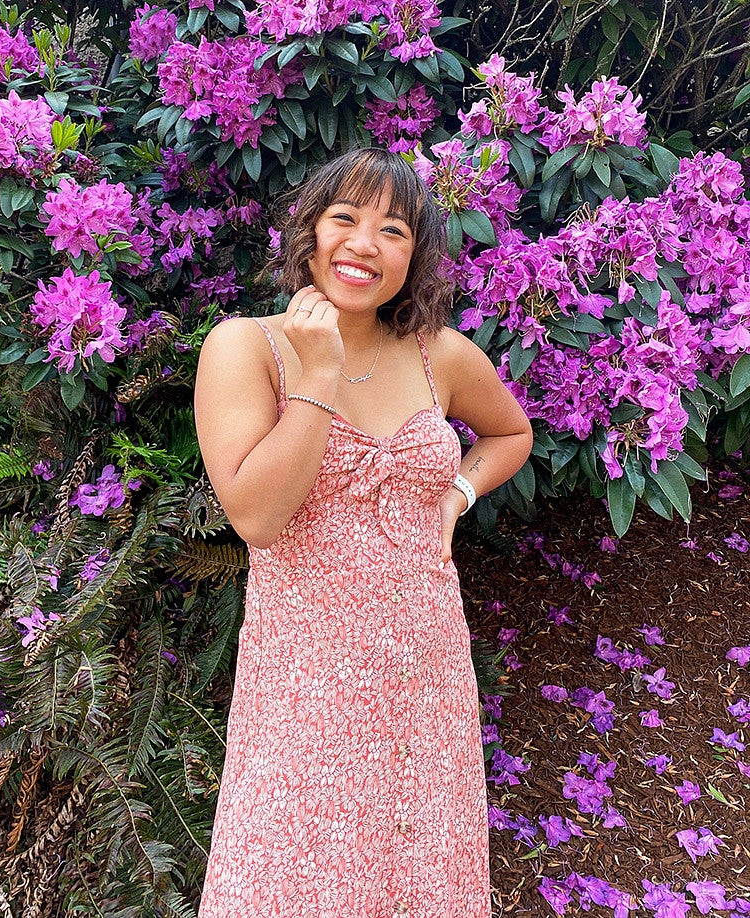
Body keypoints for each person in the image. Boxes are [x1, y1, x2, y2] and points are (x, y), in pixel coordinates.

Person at [194, 147, 533, 918]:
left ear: (413, 258)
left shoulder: (436, 353)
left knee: (416, 866)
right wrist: (315, 376)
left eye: (393, 230)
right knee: (292, 870)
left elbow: (511, 434)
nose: (363, 244)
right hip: (304, 678)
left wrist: (457, 490)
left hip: (424, 665)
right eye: (345, 218)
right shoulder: (245, 346)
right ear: (310, 232)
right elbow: (257, 516)